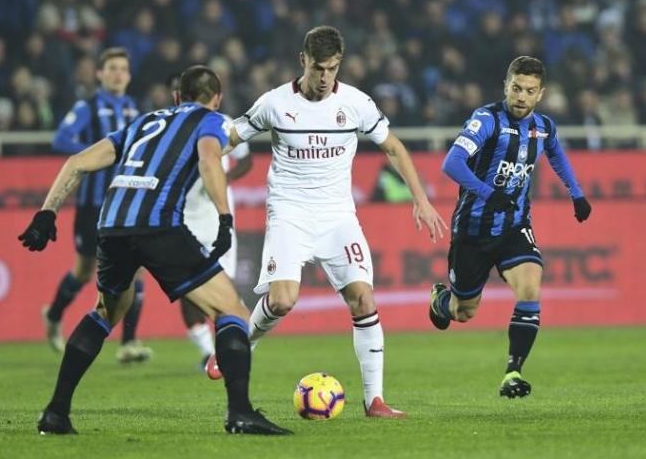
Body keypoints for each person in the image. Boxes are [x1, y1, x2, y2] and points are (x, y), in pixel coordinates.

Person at [18, 65, 291, 436]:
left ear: (175, 97)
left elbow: (77, 161)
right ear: (218, 99)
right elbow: (211, 159)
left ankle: (55, 412)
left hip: (112, 225)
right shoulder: (209, 119)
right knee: (232, 311)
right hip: (158, 225)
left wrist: (46, 212)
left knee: (106, 311)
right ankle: (240, 413)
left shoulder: (144, 122)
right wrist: (225, 218)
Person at [210, 26, 447, 418]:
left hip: (338, 216)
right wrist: (195, 154)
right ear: (303, 60)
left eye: (333, 69)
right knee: (284, 299)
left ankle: (375, 400)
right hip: (289, 212)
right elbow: (231, 136)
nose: (324, 78)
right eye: (319, 68)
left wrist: (420, 199)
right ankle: (241, 344)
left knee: (364, 298)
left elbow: (394, 147)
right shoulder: (274, 103)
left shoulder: (356, 103)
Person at [429, 56, 592, 398]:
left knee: (531, 286)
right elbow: (451, 163)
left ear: (540, 94)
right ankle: (441, 302)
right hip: (473, 230)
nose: (521, 96)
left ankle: (512, 372)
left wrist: (576, 194)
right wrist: (489, 193)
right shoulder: (486, 120)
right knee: (464, 312)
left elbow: (557, 155)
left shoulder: (544, 126)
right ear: (506, 86)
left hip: (514, 226)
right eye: (516, 88)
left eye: (529, 91)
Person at [41, 47, 152, 364]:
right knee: (84, 271)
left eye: (123, 69)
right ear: (100, 74)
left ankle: (129, 343)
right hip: (92, 205)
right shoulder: (88, 106)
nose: (118, 74)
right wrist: (98, 154)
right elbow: (60, 140)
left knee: (138, 269)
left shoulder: (134, 109)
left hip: (127, 201)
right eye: (112, 68)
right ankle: (53, 314)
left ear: (129, 76)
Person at [170, 72, 253, 371]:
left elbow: (246, 160)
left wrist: (223, 178)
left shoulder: (226, 124)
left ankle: (227, 347)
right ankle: (211, 352)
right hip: (186, 218)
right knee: (189, 290)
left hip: (214, 215)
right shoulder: (171, 126)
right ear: (217, 97)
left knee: (222, 288)